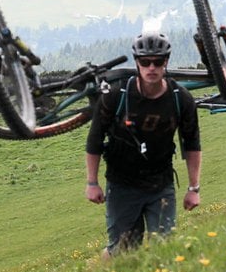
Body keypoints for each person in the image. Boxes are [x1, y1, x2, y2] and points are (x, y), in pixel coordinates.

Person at [84, 33, 202, 256]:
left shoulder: (181, 98)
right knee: (124, 252)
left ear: (166, 62)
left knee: (165, 249)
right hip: (122, 185)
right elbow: (95, 139)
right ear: (136, 62)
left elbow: (192, 144)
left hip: (161, 184)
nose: (151, 67)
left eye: (158, 62)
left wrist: (193, 188)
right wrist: (92, 182)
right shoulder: (117, 94)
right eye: (145, 62)